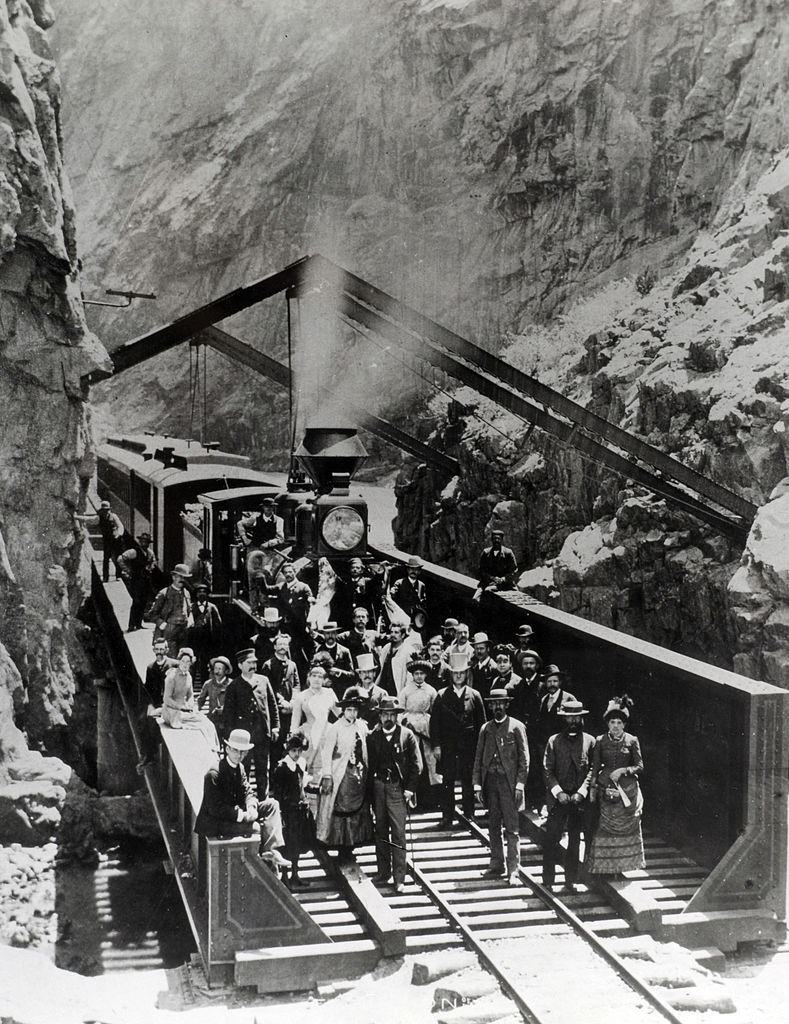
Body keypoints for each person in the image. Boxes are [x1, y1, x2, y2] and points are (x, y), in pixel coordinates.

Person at [194, 728, 289, 871]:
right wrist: (243, 816)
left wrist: (251, 806)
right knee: (256, 827)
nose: (239, 755)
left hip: (235, 814)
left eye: (243, 752)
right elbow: (215, 809)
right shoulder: (214, 774)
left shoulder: (241, 768)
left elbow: (247, 791)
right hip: (216, 822)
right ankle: (261, 861)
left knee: (273, 805)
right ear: (227, 749)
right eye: (236, 750)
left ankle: (270, 850)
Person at [473, 688, 529, 886]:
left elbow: (524, 759)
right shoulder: (485, 729)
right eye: (494, 704)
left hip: (509, 784)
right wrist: (477, 785)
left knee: (512, 828)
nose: (497, 707)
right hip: (491, 783)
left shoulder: (516, 727)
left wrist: (520, 785)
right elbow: (478, 758)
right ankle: (497, 863)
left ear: (507, 704)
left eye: (501, 703)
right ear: (490, 706)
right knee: (493, 825)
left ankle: (514, 869)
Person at [367, 696, 421, 892]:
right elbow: (369, 766)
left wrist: (410, 790)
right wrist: (370, 795)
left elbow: (417, 766)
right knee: (380, 830)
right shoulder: (373, 737)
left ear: (397, 716)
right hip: (378, 787)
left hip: (398, 789)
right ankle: (383, 873)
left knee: (398, 833)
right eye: (385, 714)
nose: (388, 718)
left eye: (392, 714)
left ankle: (400, 878)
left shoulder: (407, 736)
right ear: (380, 716)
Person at [587, 696, 645, 878]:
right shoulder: (600, 740)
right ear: (607, 724)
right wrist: (592, 787)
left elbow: (640, 766)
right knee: (606, 828)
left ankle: (621, 869)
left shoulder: (632, 740)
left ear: (624, 725)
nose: (616, 726)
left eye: (619, 722)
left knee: (625, 829)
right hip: (606, 791)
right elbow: (595, 767)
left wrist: (623, 770)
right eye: (612, 722)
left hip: (627, 792)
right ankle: (606, 868)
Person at [542, 698, 596, 894]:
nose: (573, 721)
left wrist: (582, 792)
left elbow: (593, 769)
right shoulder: (554, 741)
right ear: (564, 719)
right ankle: (548, 880)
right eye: (569, 717)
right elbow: (547, 770)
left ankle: (570, 879)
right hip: (559, 799)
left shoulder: (590, 741)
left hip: (578, 800)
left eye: (577, 717)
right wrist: (558, 792)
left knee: (574, 840)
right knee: (551, 838)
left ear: (582, 719)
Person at [316, 686, 374, 860]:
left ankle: (352, 844)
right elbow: (326, 752)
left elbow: (366, 748)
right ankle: (341, 845)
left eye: (355, 710)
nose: (352, 714)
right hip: (341, 773)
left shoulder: (362, 726)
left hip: (358, 775)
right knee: (342, 806)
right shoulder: (335, 728)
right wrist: (327, 774)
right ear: (343, 710)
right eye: (349, 710)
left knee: (358, 807)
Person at [430, 652, 486, 828]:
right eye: (455, 673)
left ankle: (469, 814)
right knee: (447, 781)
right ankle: (447, 816)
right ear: (451, 674)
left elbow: (481, 724)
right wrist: (436, 746)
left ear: (467, 673)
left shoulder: (475, 695)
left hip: (468, 746)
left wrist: (480, 747)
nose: (459, 676)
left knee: (468, 780)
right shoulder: (441, 695)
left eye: (462, 672)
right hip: (448, 746)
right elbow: (435, 724)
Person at [222, 649, 280, 798]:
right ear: (240, 665)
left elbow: (272, 705)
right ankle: (244, 800)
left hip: (262, 734)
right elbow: (228, 715)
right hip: (243, 738)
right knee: (243, 769)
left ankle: (263, 800)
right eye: (249, 663)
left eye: (254, 662)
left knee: (263, 769)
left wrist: (275, 727)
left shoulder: (263, 680)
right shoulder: (234, 686)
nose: (253, 665)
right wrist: (231, 739)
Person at [272, 733, 316, 889]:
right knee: (286, 843)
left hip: (299, 811)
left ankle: (295, 874)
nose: (296, 754)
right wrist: (280, 815)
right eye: (293, 751)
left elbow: (302, 785)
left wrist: (316, 790)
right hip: (287, 812)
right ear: (287, 751)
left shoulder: (300, 764)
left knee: (297, 843)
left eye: (299, 751)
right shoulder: (281, 768)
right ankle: (285, 877)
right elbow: (277, 794)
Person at [289, 665, 339, 801]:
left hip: (326, 735)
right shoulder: (301, 696)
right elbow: (294, 722)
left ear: (324, 679)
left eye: (320, 676)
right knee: (305, 773)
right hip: (307, 737)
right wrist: (293, 740)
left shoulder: (329, 693)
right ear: (309, 678)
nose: (317, 679)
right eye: (314, 676)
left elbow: (340, 714)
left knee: (324, 771)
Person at [533, 665, 576, 812]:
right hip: (545, 745)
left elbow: (576, 723)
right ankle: (549, 807)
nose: (552, 684)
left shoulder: (568, 698)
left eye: (555, 681)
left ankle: (564, 808)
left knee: (563, 775)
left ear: (560, 682)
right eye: (549, 681)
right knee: (547, 775)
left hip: (563, 746)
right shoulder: (544, 699)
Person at [400, 658, 440, 807]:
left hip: (426, 726)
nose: (419, 676)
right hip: (410, 725)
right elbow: (400, 710)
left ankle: (430, 800)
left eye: (421, 674)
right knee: (414, 761)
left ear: (425, 675)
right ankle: (413, 798)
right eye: (416, 673)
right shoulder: (406, 690)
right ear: (412, 675)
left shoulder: (431, 690)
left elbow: (435, 711)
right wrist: (405, 721)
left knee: (429, 761)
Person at [161, 648, 220, 750]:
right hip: (170, 711)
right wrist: (180, 707)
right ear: (179, 661)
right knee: (198, 724)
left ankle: (212, 748)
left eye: (188, 662)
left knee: (207, 723)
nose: (185, 664)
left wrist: (190, 704)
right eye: (183, 661)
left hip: (184, 709)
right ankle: (208, 747)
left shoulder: (189, 676)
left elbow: (190, 695)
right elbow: (166, 699)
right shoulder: (171, 676)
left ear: (191, 663)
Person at [137, 638, 176, 770]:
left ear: (167, 650)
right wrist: (149, 705)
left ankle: (157, 755)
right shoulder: (150, 667)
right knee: (143, 720)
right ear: (153, 650)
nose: (159, 652)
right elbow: (147, 689)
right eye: (157, 649)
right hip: (156, 703)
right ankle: (148, 755)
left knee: (156, 724)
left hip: (170, 703)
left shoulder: (174, 665)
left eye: (162, 649)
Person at [262, 635, 298, 769]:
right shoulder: (268, 665)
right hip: (276, 711)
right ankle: (273, 781)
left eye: (285, 644)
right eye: (280, 644)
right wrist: (282, 701)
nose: (283, 647)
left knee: (289, 745)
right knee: (275, 748)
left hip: (290, 711)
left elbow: (297, 685)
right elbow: (268, 687)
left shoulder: (292, 665)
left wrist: (293, 701)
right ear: (275, 646)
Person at [146, 563, 193, 656]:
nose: (182, 580)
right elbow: (152, 614)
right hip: (169, 630)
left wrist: (190, 618)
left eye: (184, 578)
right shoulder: (164, 593)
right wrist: (161, 623)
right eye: (180, 577)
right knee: (170, 657)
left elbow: (189, 609)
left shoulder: (186, 593)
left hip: (183, 630)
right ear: (173, 577)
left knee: (182, 657)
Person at [188, 583, 222, 686]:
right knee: (192, 665)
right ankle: (190, 689)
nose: (202, 594)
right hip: (194, 642)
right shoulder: (191, 607)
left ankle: (204, 689)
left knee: (205, 666)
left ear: (207, 594)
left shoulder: (212, 607)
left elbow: (218, 624)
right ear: (196, 594)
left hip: (207, 643)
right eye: (199, 592)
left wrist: (215, 640)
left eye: (204, 592)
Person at [376, 621, 421, 697]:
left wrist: (405, 695)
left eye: (396, 632)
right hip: (383, 688)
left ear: (403, 635)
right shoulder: (386, 648)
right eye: (392, 632)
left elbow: (410, 676)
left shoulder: (408, 650)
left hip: (397, 689)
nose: (393, 635)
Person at [473, 529, 518, 602]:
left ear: (501, 540)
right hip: (488, 583)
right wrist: (492, 578)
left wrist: (503, 579)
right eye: (494, 538)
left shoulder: (508, 553)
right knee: (475, 599)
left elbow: (514, 570)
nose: (496, 540)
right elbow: (481, 570)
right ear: (491, 540)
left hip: (505, 585)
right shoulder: (486, 552)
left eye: (498, 539)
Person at [315, 622, 355, 697]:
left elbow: (352, 675)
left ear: (336, 634)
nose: (330, 636)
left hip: (340, 692)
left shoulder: (344, 651)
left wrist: (339, 672)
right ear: (323, 634)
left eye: (333, 633)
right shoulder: (318, 650)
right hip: (322, 691)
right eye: (327, 633)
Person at [197, 655, 233, 740]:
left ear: (226, 671)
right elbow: (200, 701)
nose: (217, 671)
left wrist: (224, 708)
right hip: (212, 721)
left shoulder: (232, 684)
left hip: (227, 722)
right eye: (216, 668)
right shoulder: (208, 684)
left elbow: (236, 703)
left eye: (220, 669)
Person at [116, 543, 149, 631]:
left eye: (147, 542)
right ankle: (131, 625)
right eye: (144, 541)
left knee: (143, 602)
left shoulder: (149, 552)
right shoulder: (133, 552)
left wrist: (150, 567)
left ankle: (138, 624)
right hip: (136, 580)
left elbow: (153, 561)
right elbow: (120, 559)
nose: (145, 544)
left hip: (145, 581)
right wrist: (128, 570)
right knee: (136, 602)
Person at [388, 556, 427, 626]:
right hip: (402, 617)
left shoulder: (421, 585)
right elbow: (393, 596)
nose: (413, 571)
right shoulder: (399, 583)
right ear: (407, 570)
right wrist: (392, 592)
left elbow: (423, 602)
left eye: (416, 569)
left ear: (419, 571)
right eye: (411, 569)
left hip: (416, 619)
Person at [355, 653, 388, 728]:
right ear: (359, 675)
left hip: (377, 731)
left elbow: (386, 714)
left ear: (374, 673)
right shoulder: (355, 693)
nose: (367, 675)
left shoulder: (381, 693)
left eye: (370, 672)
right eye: (364, 672)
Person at [470, 632, 497, 699]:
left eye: (482, 648)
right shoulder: (474, 667)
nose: (479, 651)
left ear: (487, 649)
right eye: (476, 648)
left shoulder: (493, 667)